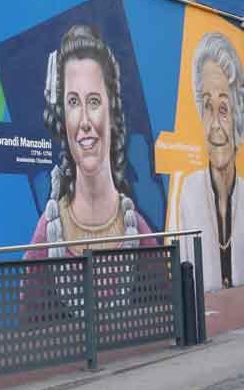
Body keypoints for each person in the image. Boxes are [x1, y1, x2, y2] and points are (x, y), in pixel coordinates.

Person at [26, 25, 152, 259]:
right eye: (73, 102)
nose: (84, 121)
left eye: (93, 102)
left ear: (112, 112)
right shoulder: (47, 236)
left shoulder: (141, 235)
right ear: (62, 116)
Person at [171, 32, 244, 291]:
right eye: (207, 107)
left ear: (239, 113)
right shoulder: (187, 195)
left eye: (223, 109)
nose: (214, 125)